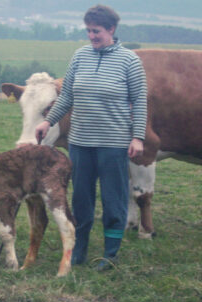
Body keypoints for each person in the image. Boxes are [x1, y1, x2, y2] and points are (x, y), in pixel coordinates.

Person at [35, 4, 147, 271]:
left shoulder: (130, 61)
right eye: (88, 31)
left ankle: (110, 254)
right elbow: (67, 96)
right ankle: (79, 250)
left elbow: (140, 101)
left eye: (96, 31)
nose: (92, 36)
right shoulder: (80, 56)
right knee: (81, 199)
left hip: (114, 143)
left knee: (113, 199)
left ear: (111, 29)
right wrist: (48, 121)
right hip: (80, 142)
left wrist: (138, 138)